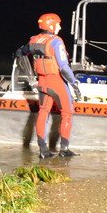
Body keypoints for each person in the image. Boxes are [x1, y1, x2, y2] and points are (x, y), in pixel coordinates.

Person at [28, 12, 81, 159]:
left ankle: (43, 150)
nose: (59, 26)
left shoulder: (33, 40)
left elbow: (22, 53)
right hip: (56, 81)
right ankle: (64, 149)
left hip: (42, 81)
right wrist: (74, 82)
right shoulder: (56, 42)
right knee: (67, 114)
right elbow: (63, 66)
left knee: (43, 112)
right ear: (51, 25)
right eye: (58, 24)